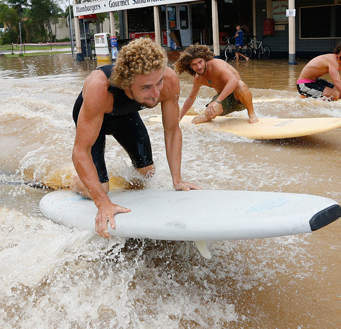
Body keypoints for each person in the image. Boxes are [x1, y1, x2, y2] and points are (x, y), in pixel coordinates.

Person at [70, 37, 201, 238]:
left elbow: (172, 130)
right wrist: (103, 203)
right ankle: (75, 181)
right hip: (95, 114)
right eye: (146, 87)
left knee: (147, 174)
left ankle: (98, 181)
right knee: (102, 189)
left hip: (125, 115)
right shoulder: (100, 88)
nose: (156, 94)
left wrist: (178, 180)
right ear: (126, 83)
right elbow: (81, 150)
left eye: (158, 82)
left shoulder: (169, 80)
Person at [174, 44, 259, 124]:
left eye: (200, 62)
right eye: (194, 64)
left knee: (240, 84)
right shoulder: (198, 78)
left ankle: (251, 113)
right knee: (209, 112)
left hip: (239, 98)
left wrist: (216, 101)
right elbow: (191, 98)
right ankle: (207, 117)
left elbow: (234, 81)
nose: (199, 67)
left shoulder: (215, 65)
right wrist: (179, 117)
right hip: (224, 99)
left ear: (205, 59)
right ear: (190, 66)